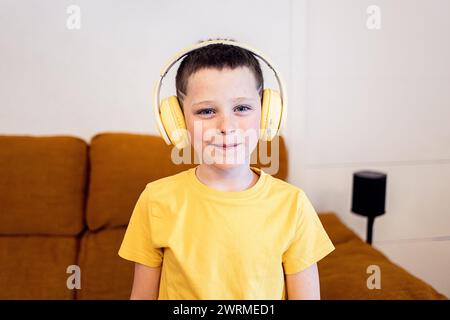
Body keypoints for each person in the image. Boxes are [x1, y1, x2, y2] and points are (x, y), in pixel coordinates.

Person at [118, 39, 335, 300]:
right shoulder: (155, 200)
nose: (226, 126)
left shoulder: (293, 205)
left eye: (242, 108)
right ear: (177, 121)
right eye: (207, 111)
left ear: (267, 113)